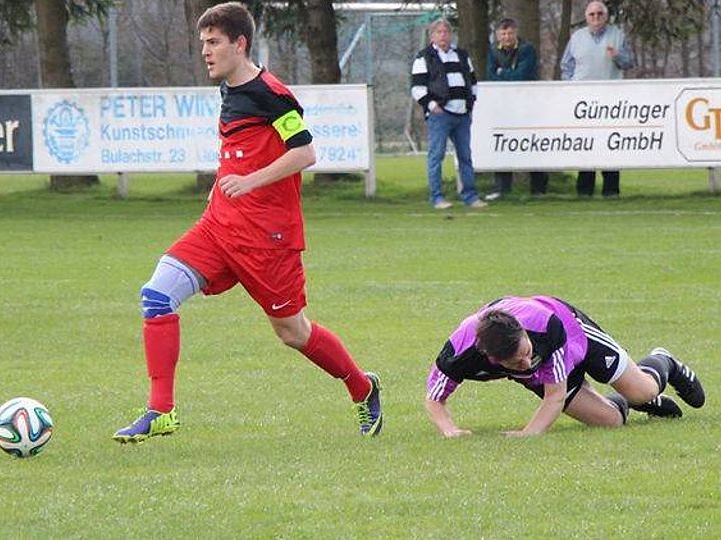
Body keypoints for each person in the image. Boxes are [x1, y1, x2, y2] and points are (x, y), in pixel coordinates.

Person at [113, 2, 382, 444]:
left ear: (240, 44)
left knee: (293, 331)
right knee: (157, 296)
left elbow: (305, 152)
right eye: (203, 42)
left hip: (267, 239)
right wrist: (221, 187)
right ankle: (161, 410)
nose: (206, 51)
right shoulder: (229, 92)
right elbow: (238, 153)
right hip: (219, 228)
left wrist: (249, 182)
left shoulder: (271, 93)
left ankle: (361, 386)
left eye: (214, 42)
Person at [425, 295, 705, 437]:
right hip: (550, 363)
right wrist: (449, 429)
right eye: (517, 363)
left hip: (575, 333)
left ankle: (664, 361)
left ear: (522, 331)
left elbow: (554, 397)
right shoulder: (459, 353)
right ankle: (631, 402)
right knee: (611, 422)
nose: (526, 363)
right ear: (494, 360)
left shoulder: (546, 326)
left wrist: (529, 433)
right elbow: (434, 399)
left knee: (642, 390)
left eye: (526, 352)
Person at [560, 1, 634, 198]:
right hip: (583, 102)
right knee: (585, 144)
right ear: (587, 17)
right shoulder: (577, 37)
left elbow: (629, 62)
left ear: (606, 16)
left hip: (611, 102)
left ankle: (611, 189)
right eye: (592, 14)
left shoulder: (617, 35)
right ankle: (584, 190)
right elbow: (566, 66)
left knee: (611, 143)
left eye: (599, 14)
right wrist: (571, 89)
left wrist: (617, 56)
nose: (595, 17)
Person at [411, 18, 486, 210]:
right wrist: (432, 106)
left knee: (465, 156)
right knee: (436, 156)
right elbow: (417, 88)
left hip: (462, 114)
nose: (443, 36)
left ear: (450, 34)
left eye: (446, 32)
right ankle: (437, 197)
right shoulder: (424, 57)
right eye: (439, 32)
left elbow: (472, 81)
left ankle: (470, 195)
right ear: (432, 36)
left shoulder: (461, 55)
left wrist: (471, 103)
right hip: (441, 114)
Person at [484, 18, 548, 201]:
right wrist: (505, 75)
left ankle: (538, 189)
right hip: (503, 106)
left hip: (528, 105)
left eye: (510, 33)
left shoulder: (527, 49)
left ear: (516, 33)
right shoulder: (493, 50)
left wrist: (502, 73)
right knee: (502, 143)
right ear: (498, 35)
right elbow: (490, 75)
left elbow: (523, 75)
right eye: (503, 33)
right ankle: (502, 189)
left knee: (533, 144)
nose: (507, 37)